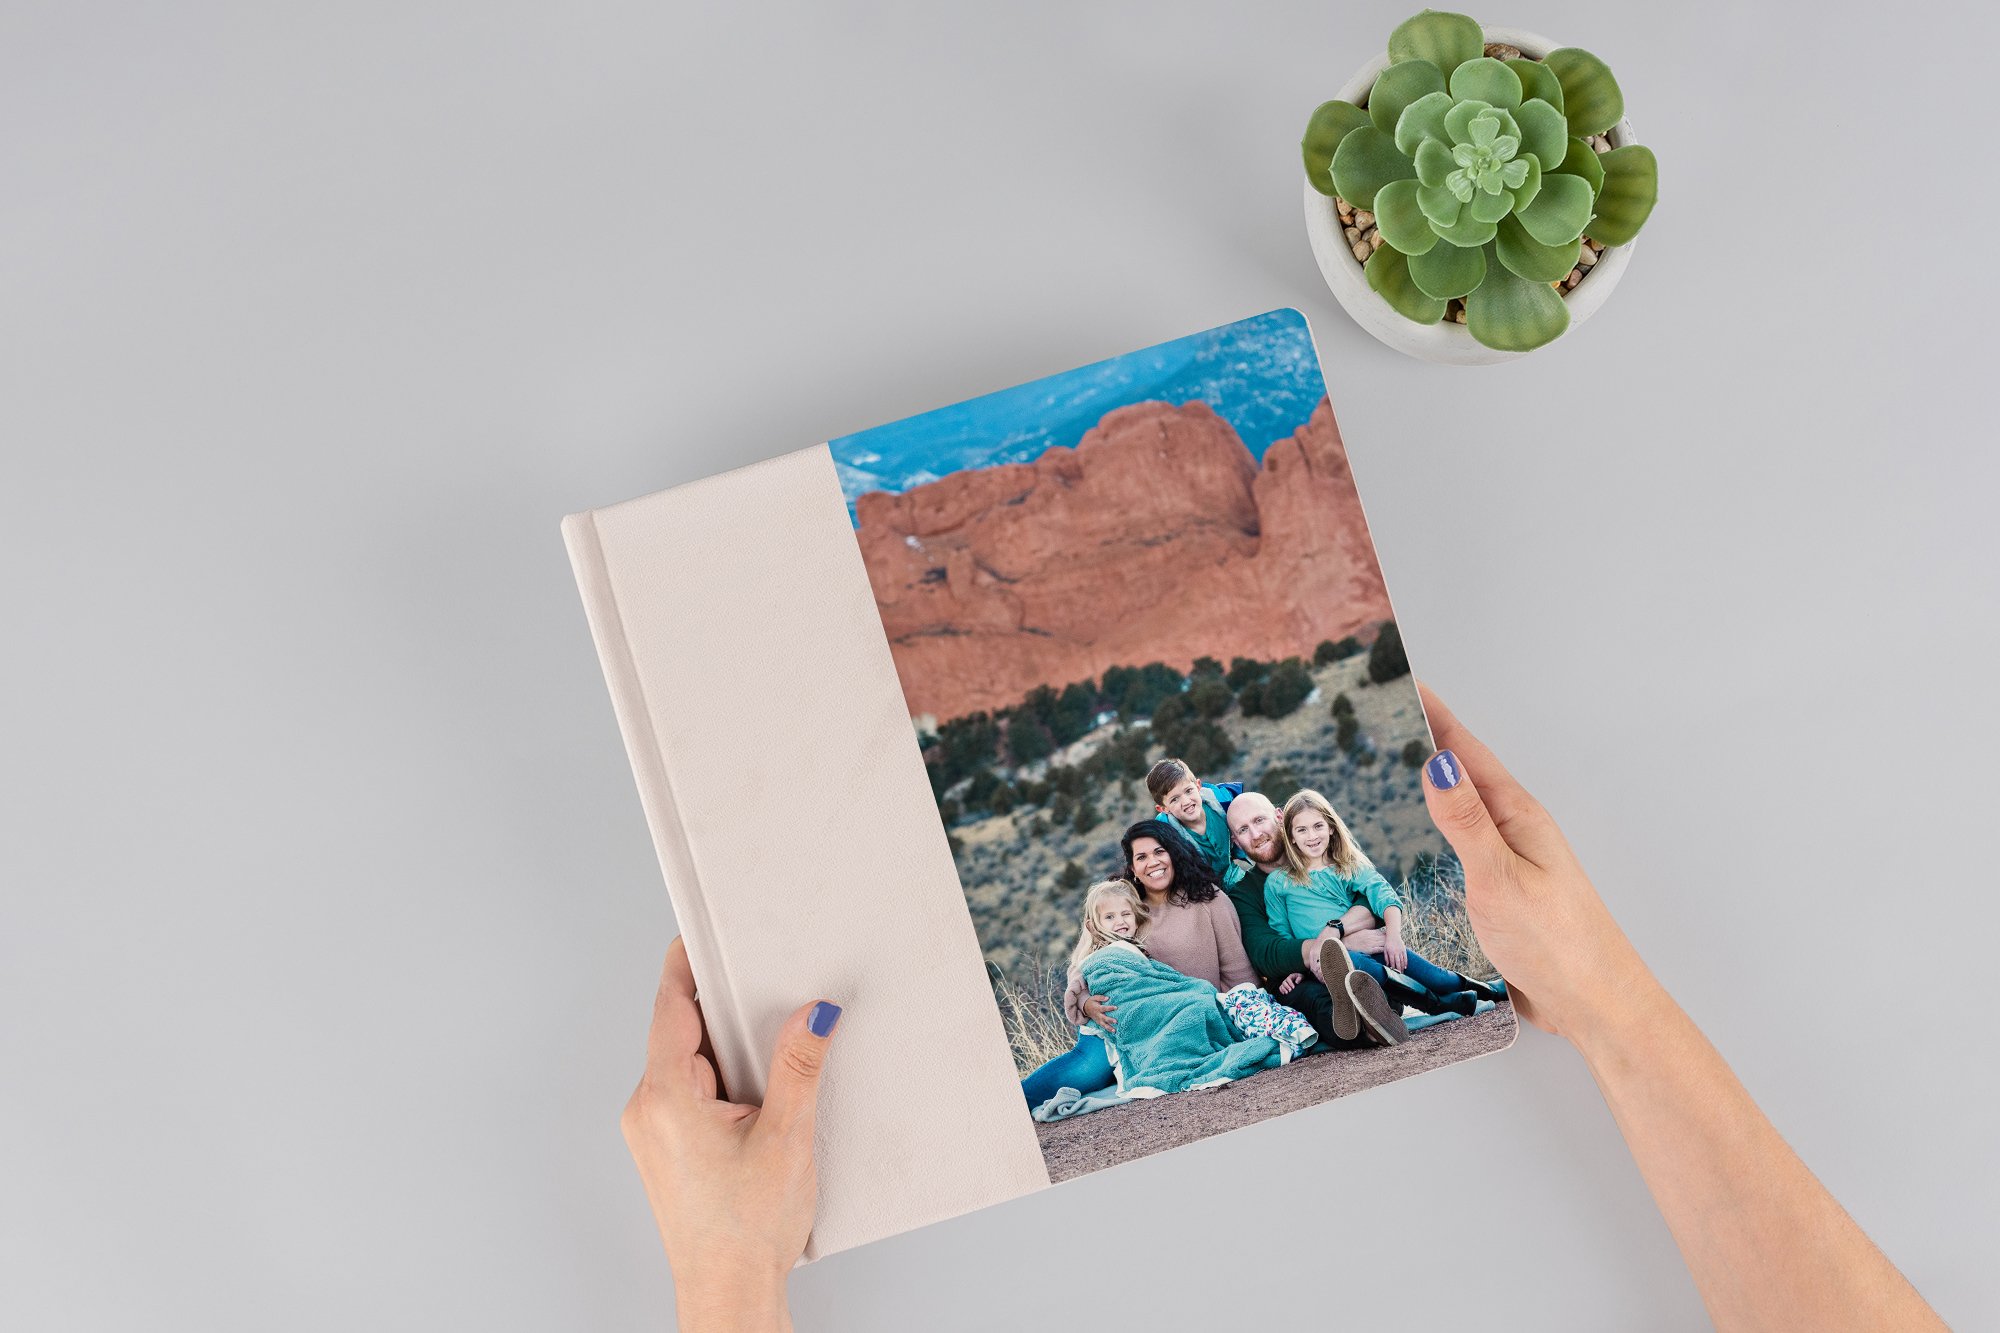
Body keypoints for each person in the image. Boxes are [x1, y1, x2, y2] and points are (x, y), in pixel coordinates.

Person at [619, 685, 1948, 1331]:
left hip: (1269, 1003)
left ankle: (1394, 998)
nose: (1174, 844)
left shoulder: (1258, 884)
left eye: (1194, 828)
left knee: (1274, 998)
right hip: (1207, 1013)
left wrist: (727, 1276)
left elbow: (1302, 926)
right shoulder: (1155, 915)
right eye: (1157, 840)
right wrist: (1610, 1006)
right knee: (1102, 1052)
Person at [1265, 787, 1504, 1030]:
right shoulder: (1279, 882)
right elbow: (1281, 934)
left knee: (1437, 978)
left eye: (1318, 826)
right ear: (1291, 837)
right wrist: (1296, 969)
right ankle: (1438, 1005)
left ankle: (1494, 989)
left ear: (1331, 828)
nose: (1312, 836)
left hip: (1371, 944)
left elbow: (1385, 896)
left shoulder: (1347, 866)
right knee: (1351, 961)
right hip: (1328, 963)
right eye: (1301, 830)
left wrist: (1393, 936)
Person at [1221, 789, 1446, 1045]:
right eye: (1243, 830)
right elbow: (1266, 953)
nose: (1255, 834)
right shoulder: (1244, 893)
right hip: (1297, 978)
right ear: (1236, 842)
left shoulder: (1327, 860)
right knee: (1317, 999)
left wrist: (1337, 932)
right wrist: (1336, 948)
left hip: (1362, 961)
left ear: (1280, 817)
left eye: (1259, 820)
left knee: (1383, 971)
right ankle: (1371, 1029)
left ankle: (1389, 1009)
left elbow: (1369, 900)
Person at [1068, 878, 1306, 1093]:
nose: (1119, 922)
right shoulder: (1098, 956)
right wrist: (1085, 1003)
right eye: (1109, 917)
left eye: (1125, 914)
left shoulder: (1134, 946)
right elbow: (1101, 986)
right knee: (1193, 1006)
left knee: (1200, 998)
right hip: (1115, 1022)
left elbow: (1159, 982)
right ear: (1093, 925)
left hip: (1157, 1003)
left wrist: (1191, 990)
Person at [1146, 756, 1242, 879]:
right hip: (1198, 888)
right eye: (1175, 799)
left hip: (1232, 875)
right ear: (1164, 809)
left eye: (1188, 791)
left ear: (1198, 785)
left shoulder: (1222, 802)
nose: (1186, 801)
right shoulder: (1164, 833)